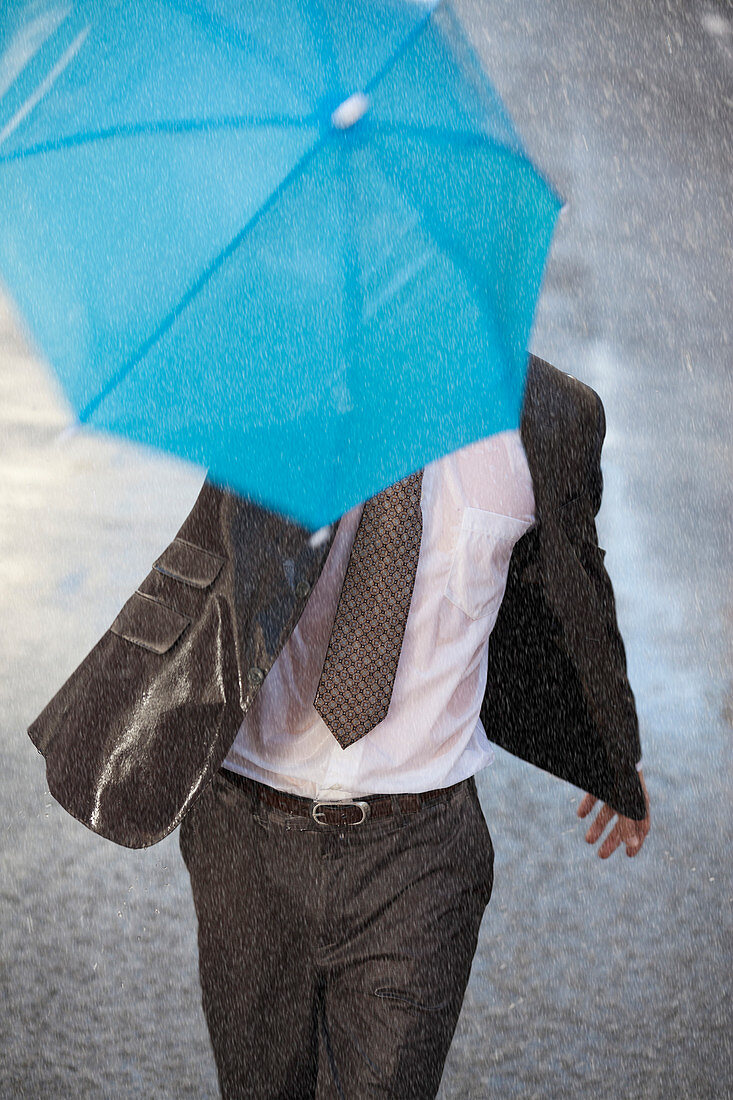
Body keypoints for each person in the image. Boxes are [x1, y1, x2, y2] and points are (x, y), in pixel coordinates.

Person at [28, 354, 650, 1099]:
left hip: (420, 858)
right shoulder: (286, 375)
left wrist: (613, 749)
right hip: (246, 844)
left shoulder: (550, 417)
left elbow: (574, 586)